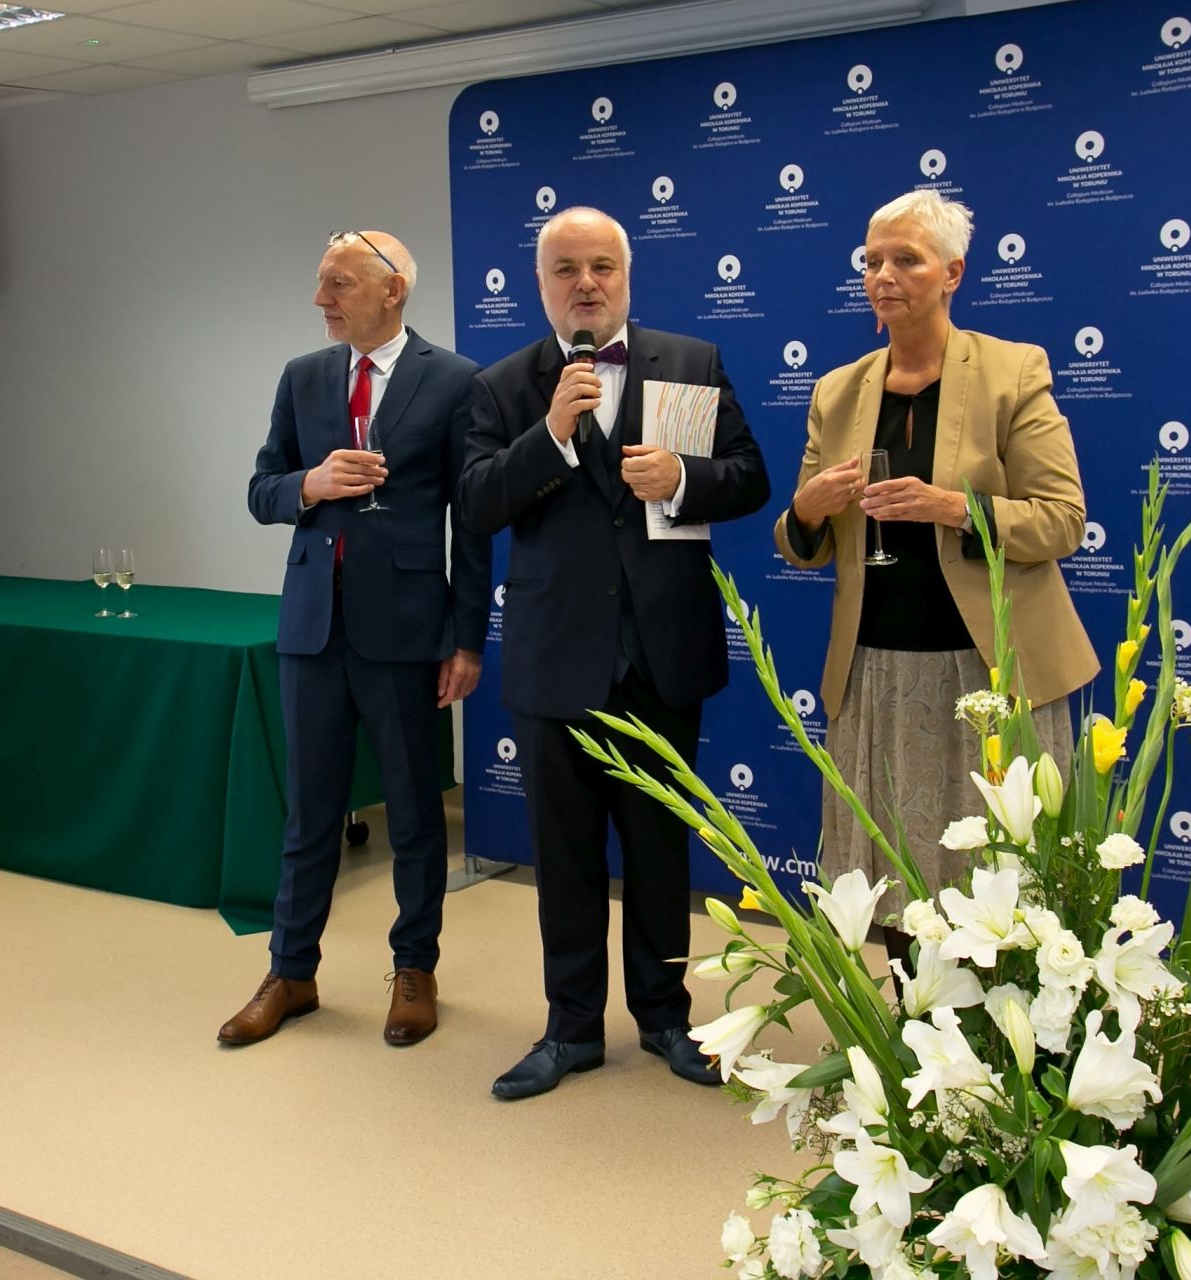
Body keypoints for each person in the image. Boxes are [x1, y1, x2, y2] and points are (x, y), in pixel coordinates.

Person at [460, 207, 770, 1099]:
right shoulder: (504, 385)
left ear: (627, 276)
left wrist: (684, 478)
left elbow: (750, 477)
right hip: (557, 660)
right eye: (566, 269)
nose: (586, 283)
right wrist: (551, 436)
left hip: (660, 656)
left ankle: (666, 1017)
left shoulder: (692, 362)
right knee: (563, 859)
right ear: (542, 284)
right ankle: (570, 1030)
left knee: (660, 852)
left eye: (602, 266)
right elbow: (477, 504)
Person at [774, 190, 1098, 966]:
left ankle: (1002, 1030)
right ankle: (911, 1018)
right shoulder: (837, 390)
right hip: (877, 671)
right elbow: (802, 543)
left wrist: (953, 507)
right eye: (872, 261)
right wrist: (808, 511)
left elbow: (1062, 520)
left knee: (1001, 875)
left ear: (953, 272)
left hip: (990, 672)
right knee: (891, 873)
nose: (883, 275)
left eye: (906, 260)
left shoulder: (1011, 371)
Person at [226, 230, 488, 1048]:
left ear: (391, 290)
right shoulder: (302, 376)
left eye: (337, 284)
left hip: (406, 631)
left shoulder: (455, 380)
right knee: (309, 816)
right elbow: (261, 489)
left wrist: (467, 640)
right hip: (312, 629)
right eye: (321, 282)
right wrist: (310, 484)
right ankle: (291, 972)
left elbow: (473, 523)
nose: (321, 299)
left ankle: (414, 970)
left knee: (413, 815)